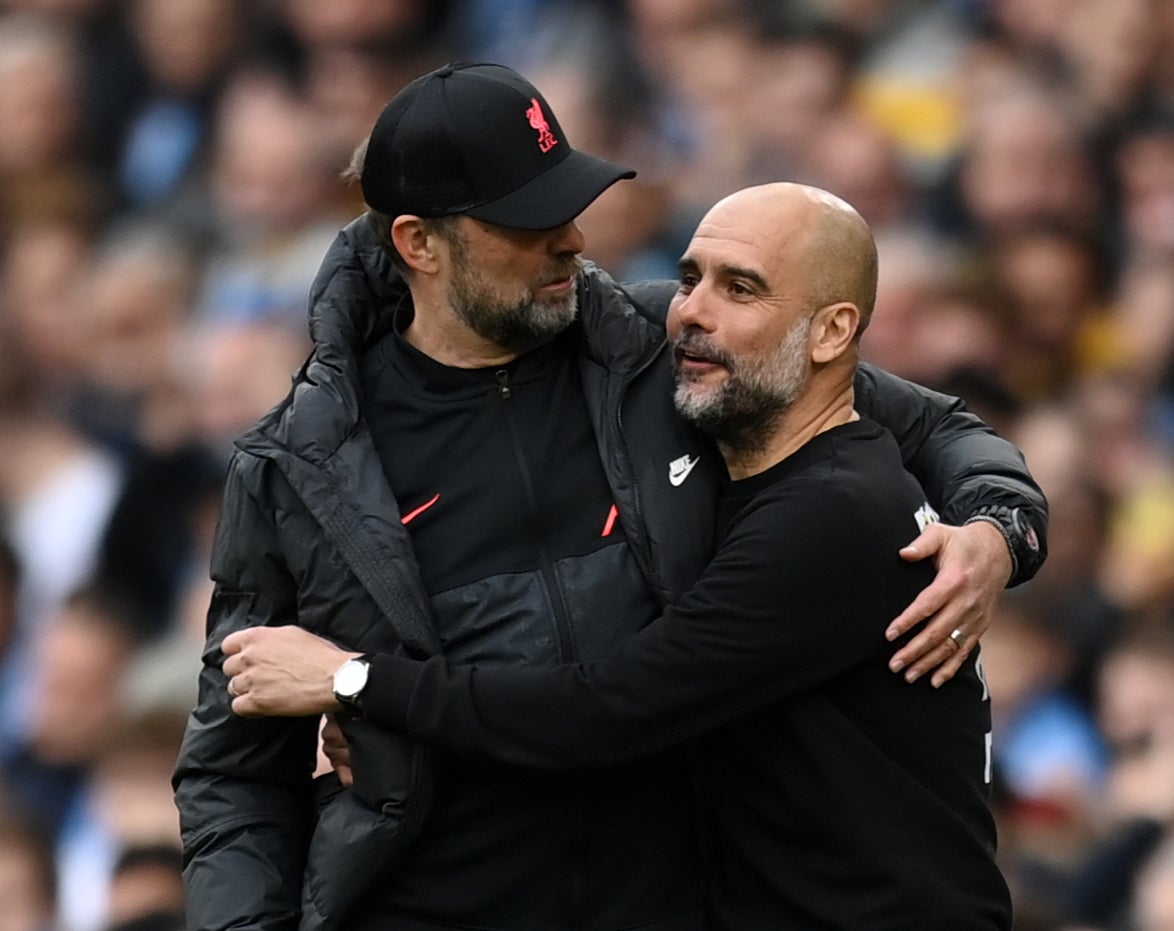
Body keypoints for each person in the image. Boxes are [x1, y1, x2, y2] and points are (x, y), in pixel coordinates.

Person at [175, 62, 1046, 931]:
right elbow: (233, 773)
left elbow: (936, 427)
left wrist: (999, 530)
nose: (571, 239)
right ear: (419, 243)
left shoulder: (672, 348)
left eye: (569, 201)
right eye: (527, 219)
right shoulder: (300, 464)